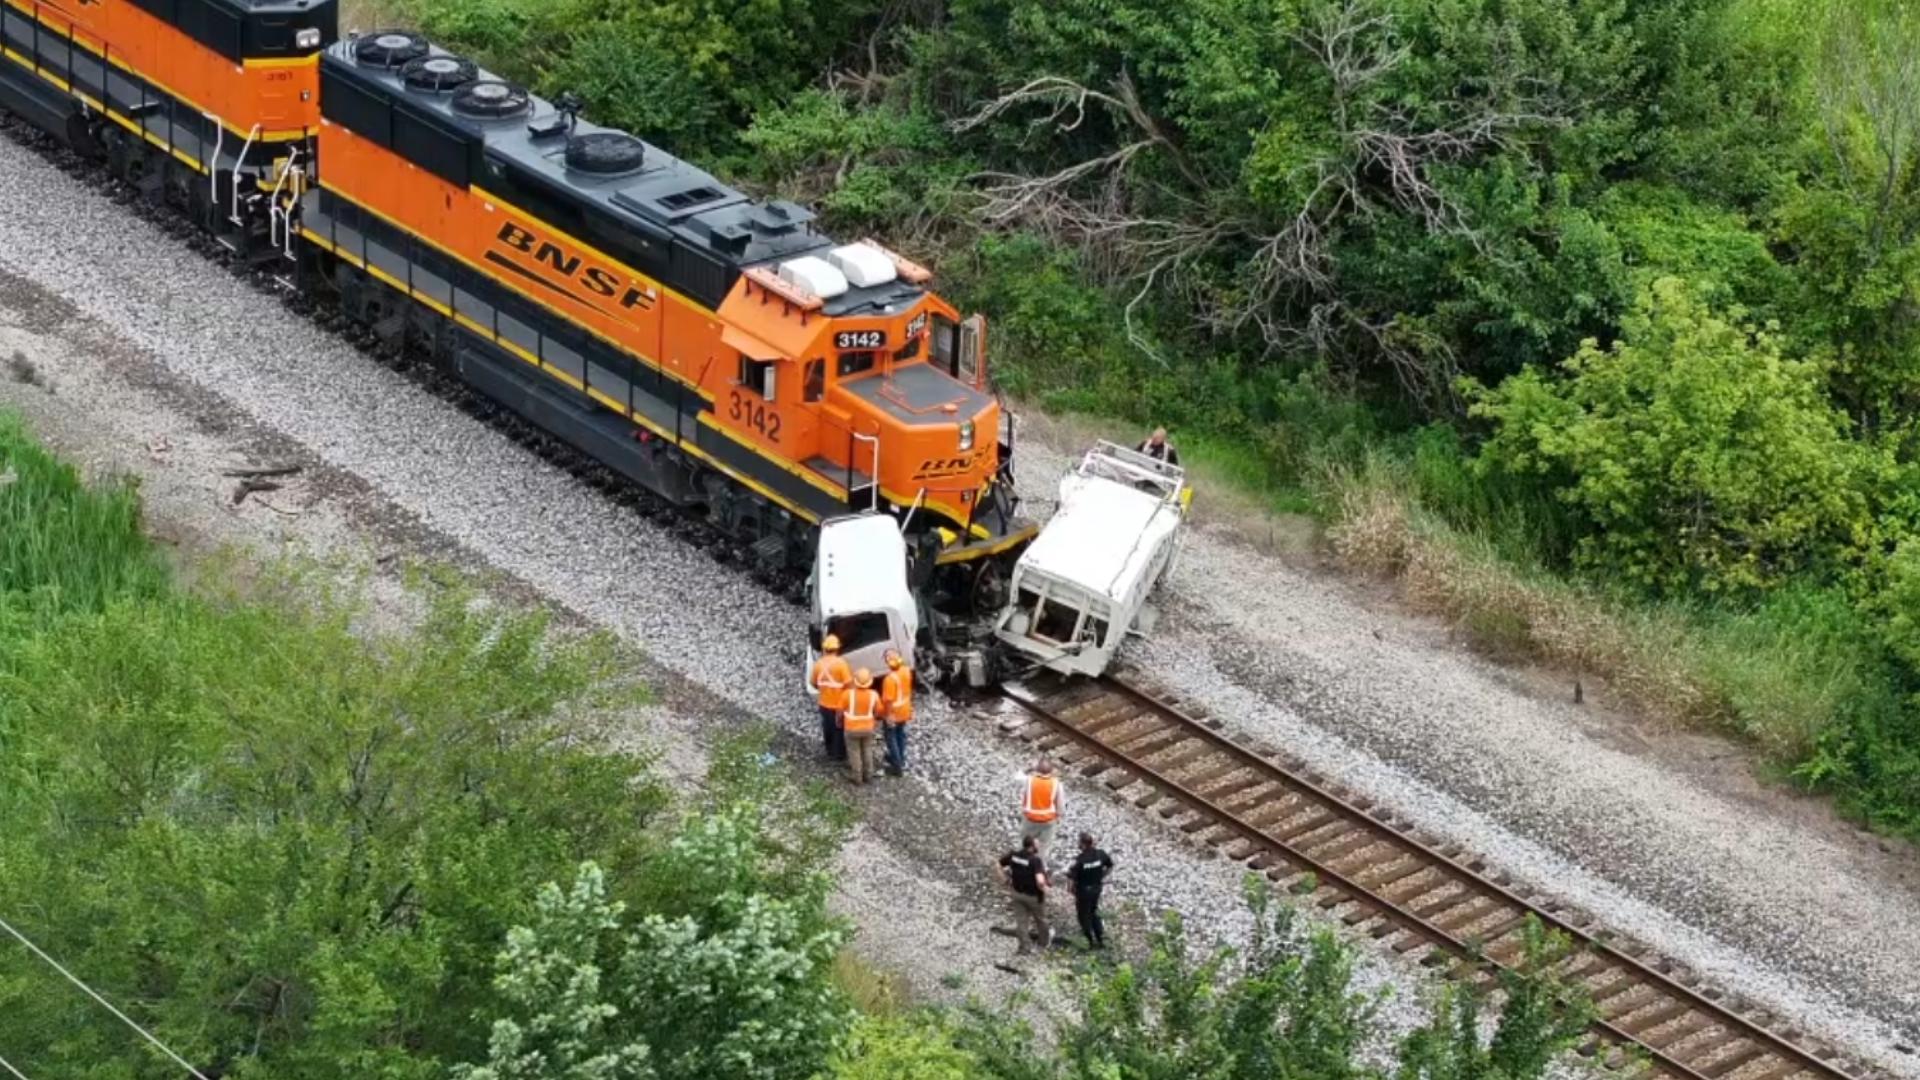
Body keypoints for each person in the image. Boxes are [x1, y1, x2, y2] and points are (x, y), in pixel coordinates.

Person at [996, 835, 1051, 955]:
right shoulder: (1035, 860)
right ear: (1031, 847)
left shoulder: (1014, 855)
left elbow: (998, 864)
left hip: (1017, 894)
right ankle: (1043, 943)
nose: (1039, 846)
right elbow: (1040, 880)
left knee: (1021, 922)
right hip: (1033, 897)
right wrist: (1045, 888)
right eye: (1037, 844)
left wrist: (1005, 880)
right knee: (1041, 920)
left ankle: (1025, 947)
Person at [1066, 832, 1114, 949]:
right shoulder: (1101, 854)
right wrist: (1102, 875)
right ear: (1092, 842)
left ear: (1082, 844)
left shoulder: (1080, 860)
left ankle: (1089, 941)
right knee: (1094, 912)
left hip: (1083, 891)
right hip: (1096, 888)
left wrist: (1070, 889)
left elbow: (1071, 877)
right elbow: (1111, 865)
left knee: (1083, 915)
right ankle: (1101, 938)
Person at [809, 634, 851, 763]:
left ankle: (829, 751)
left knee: (827, 727)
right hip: (838, 704)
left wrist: (824, 689)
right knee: (839, 729)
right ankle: (839, 755)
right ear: (837, 649)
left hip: (824, 703)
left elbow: (813, 682)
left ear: (825, 649)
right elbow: (848, 683)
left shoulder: (818, 665)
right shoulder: (841, 664)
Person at [842, 668, 881, 785]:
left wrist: (839, 721)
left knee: (854, 752)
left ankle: (857, 778)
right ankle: (868, 776)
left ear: (855, 681)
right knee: (867, 750)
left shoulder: (847, 694)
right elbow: (879, 711)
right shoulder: (874, 695)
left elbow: (840, 710)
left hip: (851, 728)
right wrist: (874, 720)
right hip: (868, 728)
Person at [879, 649, 913, 776]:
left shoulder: (889, 679)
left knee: (891, 737)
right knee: (900, 735)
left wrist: (887, 716)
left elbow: (888, 700)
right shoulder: (906, 671)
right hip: (905, 710)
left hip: (894, 713)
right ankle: (900, 758)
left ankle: (897, 766)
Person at [1020, 759, 1062, 856]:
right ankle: (1041, 865)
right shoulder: (1056, 783)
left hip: (1030, 818)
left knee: (1025, 842)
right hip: (1048, 820)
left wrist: (1029, 768)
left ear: (1037, 769)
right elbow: (1060, 803)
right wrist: (1059, 815)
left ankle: (1024, 860)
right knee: (1044, 844)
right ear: (1051, 771)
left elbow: (1017, 776)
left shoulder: (1029, 780)